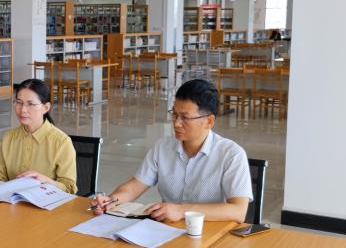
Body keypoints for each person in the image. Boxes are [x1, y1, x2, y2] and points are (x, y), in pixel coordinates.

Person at [91, 79, 252, 222]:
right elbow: (133, 187)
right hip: (167, 231)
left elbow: (238, 211)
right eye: (174, 115)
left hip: (208, 232)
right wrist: (111, 201)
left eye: (185, 117)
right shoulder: (163, 147)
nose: (176, 123)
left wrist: (181, 211)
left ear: (209, 121)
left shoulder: (231, 155)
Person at [0, 79, 78, 194]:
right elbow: (1, 178)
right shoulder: (9, 137)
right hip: (11, 201)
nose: (23, 109)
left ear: (46, 108)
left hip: (46, 203)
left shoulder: (62, 142)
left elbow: (69, 188)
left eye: (30, 104)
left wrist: (46, 181)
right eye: (19, 102)